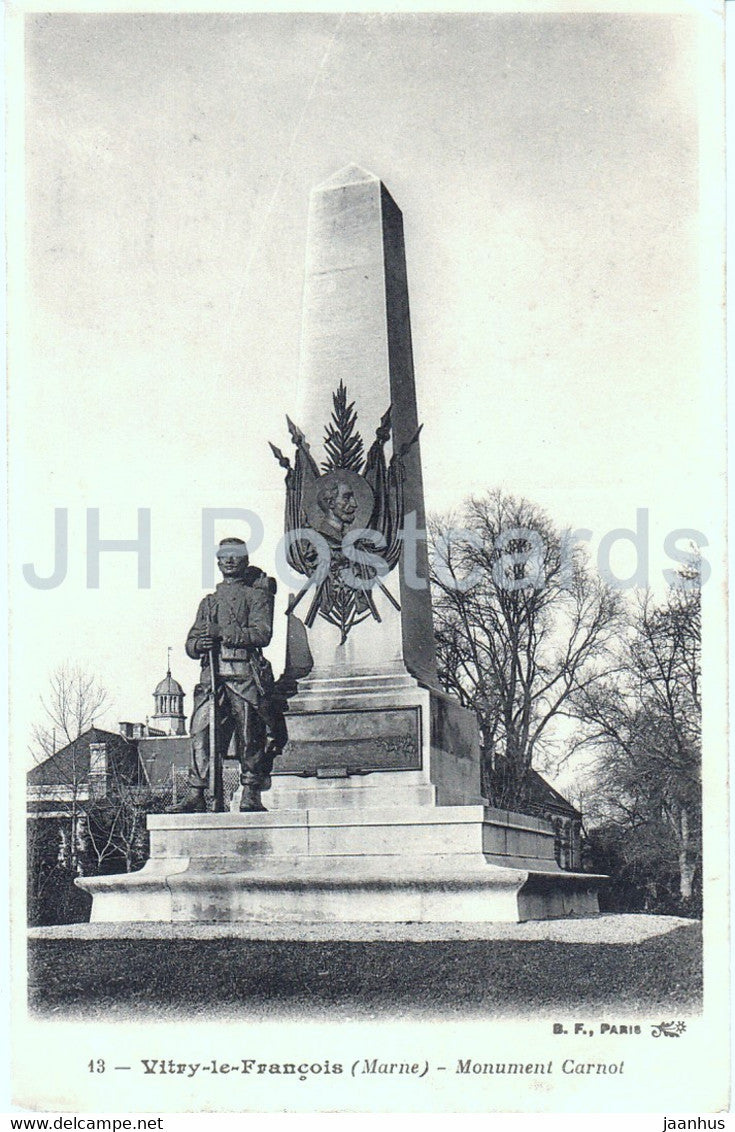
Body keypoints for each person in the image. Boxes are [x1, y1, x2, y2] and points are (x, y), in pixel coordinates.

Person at [168, 537, 285, 814]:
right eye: (224, 556)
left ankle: (251, 791)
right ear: (218, 562)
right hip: (212, 679)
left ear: (245, 560)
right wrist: (199, 645)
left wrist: (222, 634)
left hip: (243, 675)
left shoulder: (257, 596)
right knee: (201, 732)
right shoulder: (208, 603)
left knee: (249, 736)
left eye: (235, 556)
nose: (230, 561)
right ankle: (197, 792)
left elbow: (262, 634)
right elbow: (191, 642)